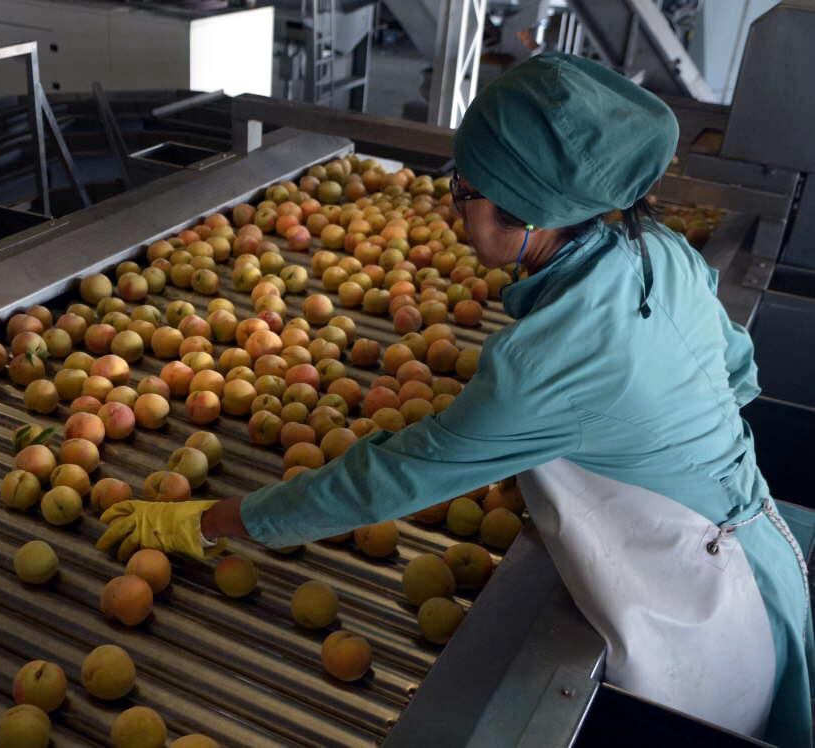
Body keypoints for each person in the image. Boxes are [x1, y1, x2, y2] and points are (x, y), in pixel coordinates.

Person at [97, 53, 814, 746]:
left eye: (465, 192)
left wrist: (214, 520)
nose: (453, 210)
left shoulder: (546, 362)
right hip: (762, 546)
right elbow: (737, 371)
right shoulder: (657, 249)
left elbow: (390, 479)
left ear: (530, 214)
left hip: (698, 613)